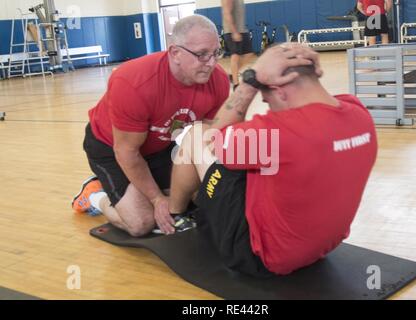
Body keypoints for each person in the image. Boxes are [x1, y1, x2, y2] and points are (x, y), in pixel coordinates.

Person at [167, 43, 378, 277]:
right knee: (251, 159)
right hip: (321, 247)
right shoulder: (358, 113)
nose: (268, 106)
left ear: (280, 90)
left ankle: (175, 217)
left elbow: (212, 138)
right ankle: (197, 200)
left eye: (267, 100)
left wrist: (250, 81)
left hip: (261, 257)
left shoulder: (278, 134)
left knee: (197, 135)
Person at [71, 15, 230, 237]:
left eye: (216, 53)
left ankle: (141, 191)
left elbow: (209, 138)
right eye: (202, 54)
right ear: (175, 53)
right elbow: (126, 152)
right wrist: (156, 199)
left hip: (158, 146)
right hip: (112, 148)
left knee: (191, 199)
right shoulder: (133, 83)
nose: (212, 63)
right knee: (141, 223)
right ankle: (95, 195)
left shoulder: (218, 80)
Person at [221, 0, 255, 90]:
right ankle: (236, 85)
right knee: (235, 55)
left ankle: (233, 74)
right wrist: (234, 31)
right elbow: (227, 13)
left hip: (242, 30)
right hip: (232, 31)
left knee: (249, 54)